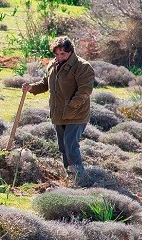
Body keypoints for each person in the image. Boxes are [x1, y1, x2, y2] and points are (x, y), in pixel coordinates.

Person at [22, 36, 95, 184]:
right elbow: (45, 84)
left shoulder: (83, 66)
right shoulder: (52, 65)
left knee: (70, 144)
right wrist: (31, 88)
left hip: (76, 114)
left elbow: (85, 91)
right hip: (58, 113)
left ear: (70, 51)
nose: (59, 57)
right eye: (57, 54)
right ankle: (69, 176)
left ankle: (79, 180)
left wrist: (71, 107)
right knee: (63, 146)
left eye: (63, 54)